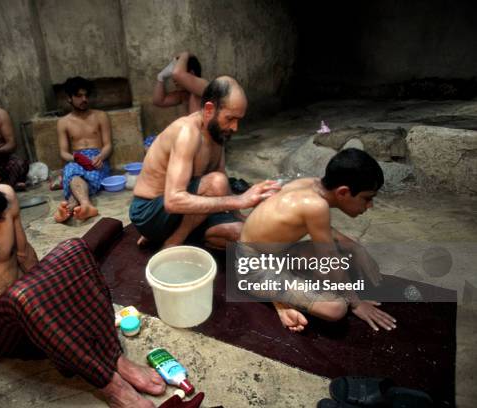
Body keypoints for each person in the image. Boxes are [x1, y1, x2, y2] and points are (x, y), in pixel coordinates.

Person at [0, 133, 165, 408]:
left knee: (74, 250)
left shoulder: (4, 199)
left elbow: (24, 254)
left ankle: (116, 357)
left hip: (31, 307)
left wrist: (54, 290)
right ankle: (110, 385)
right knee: (24, 296)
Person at [239, 148, 397, 333]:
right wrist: (356, 304)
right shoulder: (316, 206)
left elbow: (323, 232)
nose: (370, 205)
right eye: (367, 198)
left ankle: (286, 289)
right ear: (343, 192)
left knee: (346, 248)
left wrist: (355, 247)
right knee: (337, 308)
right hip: (252, 269)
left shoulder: (310, 184)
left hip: (276, 254)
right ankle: (279, 301)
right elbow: (329, 261)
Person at [130, 76, 279, 249]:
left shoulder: (218, 132)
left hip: (187, 212)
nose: (235, 127)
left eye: (238, 120)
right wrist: (240, 200)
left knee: (244, 234)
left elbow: (220, 178)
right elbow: (173, 201)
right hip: (150, 212)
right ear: (209, 110)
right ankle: (172, 242)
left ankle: (175, 236)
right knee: (216, 182)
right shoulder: (187, 133)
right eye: (230, 118)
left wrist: (239, 216)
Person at [54, 76, 112, 223]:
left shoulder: (100, 116)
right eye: (78, 96)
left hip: (97, 159)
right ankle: (85, 206)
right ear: (69, 98)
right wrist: (76, 158)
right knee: (73, 172)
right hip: (76, 159)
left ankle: (70, 207)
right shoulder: (63, 122)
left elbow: (108, 145)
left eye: (86, 95)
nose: (84, 99)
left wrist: (101, 157)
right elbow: (63, 152)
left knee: (77, 176)